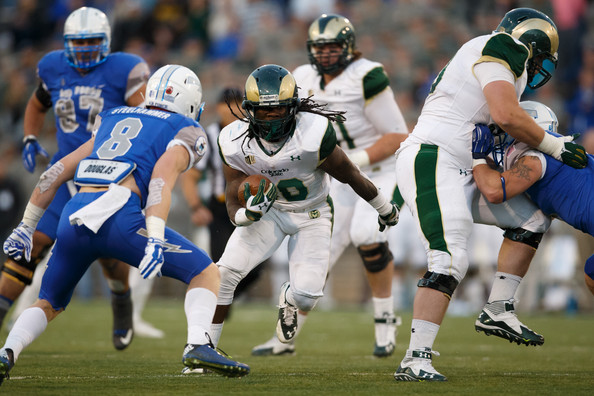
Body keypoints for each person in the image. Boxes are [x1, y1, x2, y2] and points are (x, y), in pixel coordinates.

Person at [0, 65, 250, 385]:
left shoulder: (114, 114)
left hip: (74, 214)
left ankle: (7, 352)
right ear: (190, 103)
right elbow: (161, 179)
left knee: (47, 302)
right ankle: (198, 344)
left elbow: (58, 170)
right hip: (120, 217)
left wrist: (26, 225)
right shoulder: (186, 128)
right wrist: (156, 237)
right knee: (205, 271)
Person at [392, 8, 588, 382]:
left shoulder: (494, 61)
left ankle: (498, 306)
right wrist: (555, 147)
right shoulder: (501, 45)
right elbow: (506, 114)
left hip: (460, 165)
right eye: (542, 54)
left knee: (531, 219)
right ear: (531, 42)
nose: (540, 65)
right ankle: (415, 358)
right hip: (434, 156)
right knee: (449, 256)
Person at [206, 64, 399, 356]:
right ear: (249, 110)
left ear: (293, 107)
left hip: (312, 213)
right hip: (269, 212)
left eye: (279, 110)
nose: (271, 118)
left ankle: (290, 298)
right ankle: (204, 346)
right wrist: (249, 214)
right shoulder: (233, 140)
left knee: (307, 296)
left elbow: (351, 175)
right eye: (263, 111)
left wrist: (383, 207)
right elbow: (232, 196)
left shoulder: (312, 134)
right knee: (225, 273)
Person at [251, 13, 409, 359]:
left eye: (332, 46)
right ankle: (284, 338)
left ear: (348, 47)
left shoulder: (367, 75)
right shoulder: (302, 77)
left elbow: (398, 135)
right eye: (319, 47)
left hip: (380, 168)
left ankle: (385, 320)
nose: (324, 54)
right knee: (321, 254)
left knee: (368, 234)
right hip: (339, 173)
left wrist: (355, 164)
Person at [0, 6, 155, 349]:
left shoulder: (125, 69)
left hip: (107, 175)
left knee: (109, 258)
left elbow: (145, 119)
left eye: (91, 42)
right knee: (33, 241)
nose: (84, 49)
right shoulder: (54, 66)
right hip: (66, 169)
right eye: (78, 42)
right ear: (67, 43)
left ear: (106, 42)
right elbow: (37, 103)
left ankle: (121, 298)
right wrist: (29, 135)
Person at [471, 100, 593, 295]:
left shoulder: (535, 159)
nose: (502, 138)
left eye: (506, 131)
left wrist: (477, 157)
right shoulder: (554, 158)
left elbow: (494, 191)